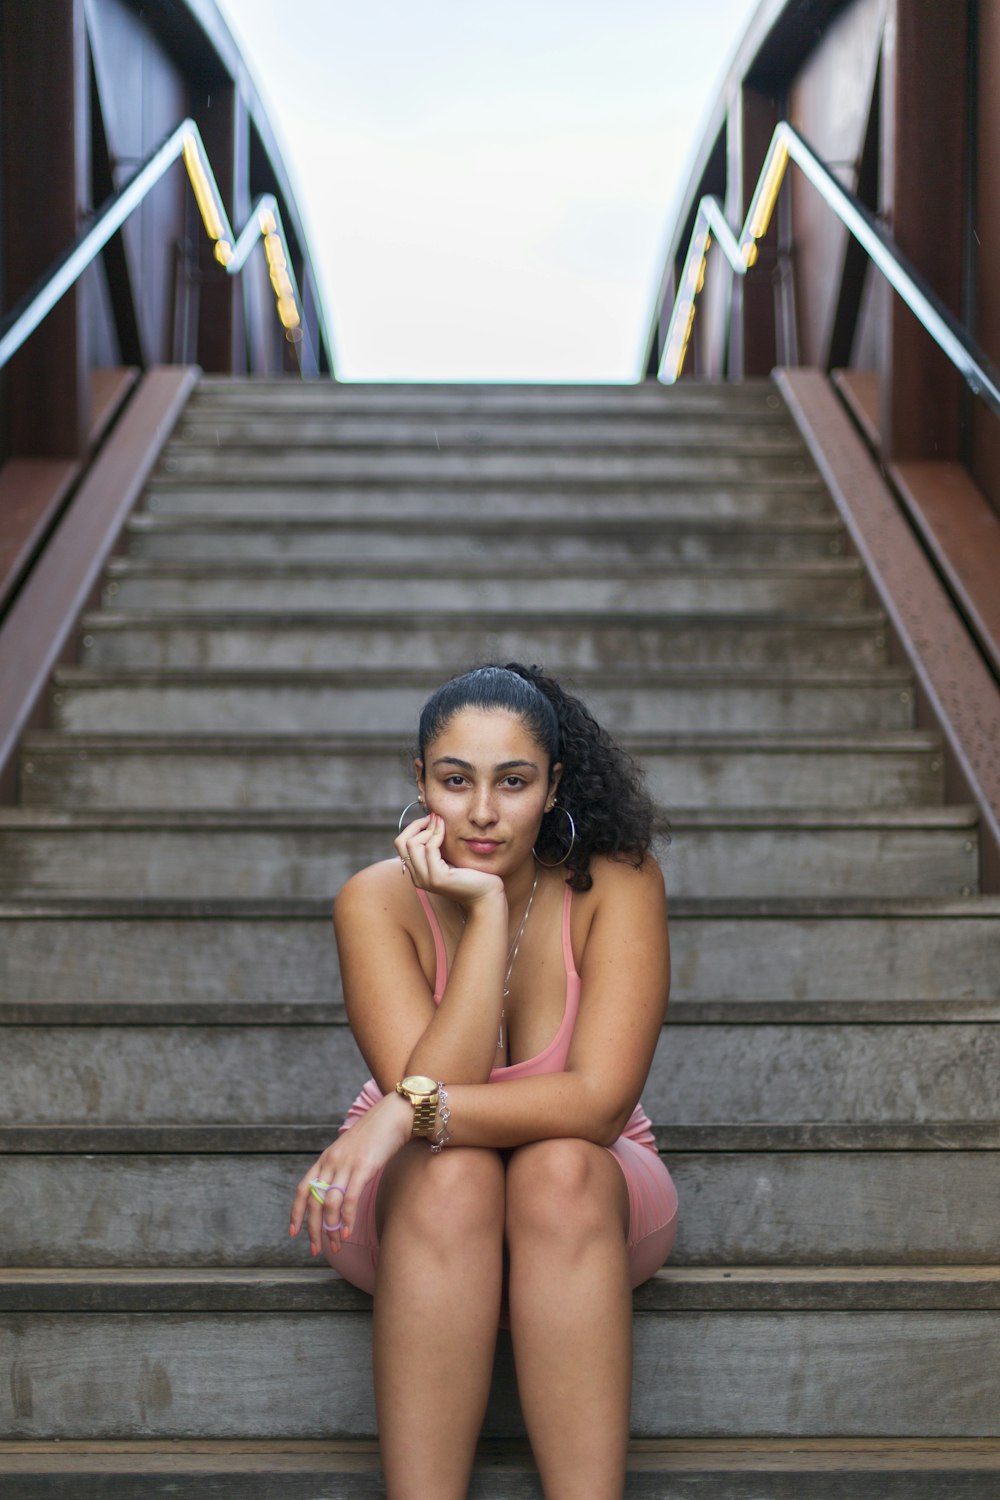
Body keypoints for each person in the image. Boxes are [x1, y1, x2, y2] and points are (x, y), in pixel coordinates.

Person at [289, 662, 678, 1500]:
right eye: (455, 782)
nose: (484, 814)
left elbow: (598, 1104)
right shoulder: (374, 902)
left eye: (514, 782)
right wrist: (487, 912)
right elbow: (441, 1085)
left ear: (555, 785)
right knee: (452, 1174)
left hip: (586, 1196)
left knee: (560, 1167)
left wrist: (405, 1113)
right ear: (418, 780)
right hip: (417, 1202)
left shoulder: (620, 882)